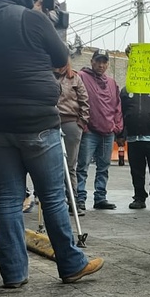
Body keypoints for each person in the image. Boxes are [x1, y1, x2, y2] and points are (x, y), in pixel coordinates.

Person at [0, 0, 102, 287]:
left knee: (8, 196)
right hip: (37, 120)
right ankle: (70, 263)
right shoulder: (31, 19)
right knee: (52, 195)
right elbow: (60, 56)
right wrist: (38, 17)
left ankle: (13, 272)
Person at [76, 50, 123, 211]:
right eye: (98, 61)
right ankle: (79, 198)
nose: (101, 65)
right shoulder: (81, 77)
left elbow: (117, 106)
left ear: (108, 64)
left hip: (108, 132)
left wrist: (117, 126)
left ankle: (100, 197)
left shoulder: (111, 83)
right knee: (82, 166)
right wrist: (84, 125)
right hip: (89, 132)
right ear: (92, 61)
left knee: (104, 167)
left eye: (104, 62)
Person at [121, 85, 150, 213]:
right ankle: (139, 197)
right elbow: (121, 112)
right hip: (133, 137)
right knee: (136, 171)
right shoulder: (126, 90)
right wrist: (121, 134)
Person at [56, 64, 89, 209]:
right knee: (51, 165)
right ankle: (56, 202)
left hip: (71, 123)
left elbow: (85, 101)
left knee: (70, 166)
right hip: (49, 123)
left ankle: (73, 201)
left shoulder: (75, 77)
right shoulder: (44, 74)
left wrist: (81, 122)